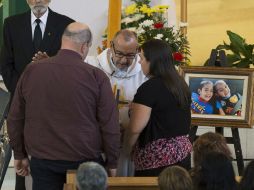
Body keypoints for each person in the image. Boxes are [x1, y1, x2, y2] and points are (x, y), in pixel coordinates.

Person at [7, 22, 120, 190]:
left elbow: (15, 116)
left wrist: (19, 153)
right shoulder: (96, 76)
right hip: (85, 160)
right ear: (84, 47)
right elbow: (109, 124)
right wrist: (112, 162)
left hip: (43, 158)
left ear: (63, 41)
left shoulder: (32, 71)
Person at [0, 1, 74, 190]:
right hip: (21, 101)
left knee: (51, 155)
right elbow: (6, 63)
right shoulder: (11, 23)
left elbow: (73, 63)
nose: (37, 0)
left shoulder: (66, 24)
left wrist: (52, 63)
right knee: (21, 155)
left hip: (54, 103)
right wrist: (23, 93)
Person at [123, 39, 192, 176]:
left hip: (157, 162)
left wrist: (127, 148)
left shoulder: (150, 87)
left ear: (152, 61)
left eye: (141, 58)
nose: (139, 62)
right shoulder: (180, 83)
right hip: (182, 155)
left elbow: (135, 128)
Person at [86, 29, 146, 176]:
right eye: (119, 54)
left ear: (137, 51)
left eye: (130, 55)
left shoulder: (143, 72)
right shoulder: (91, 65)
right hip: (96, 139)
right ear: (111, 46)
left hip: (128, 141)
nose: (124, 60)